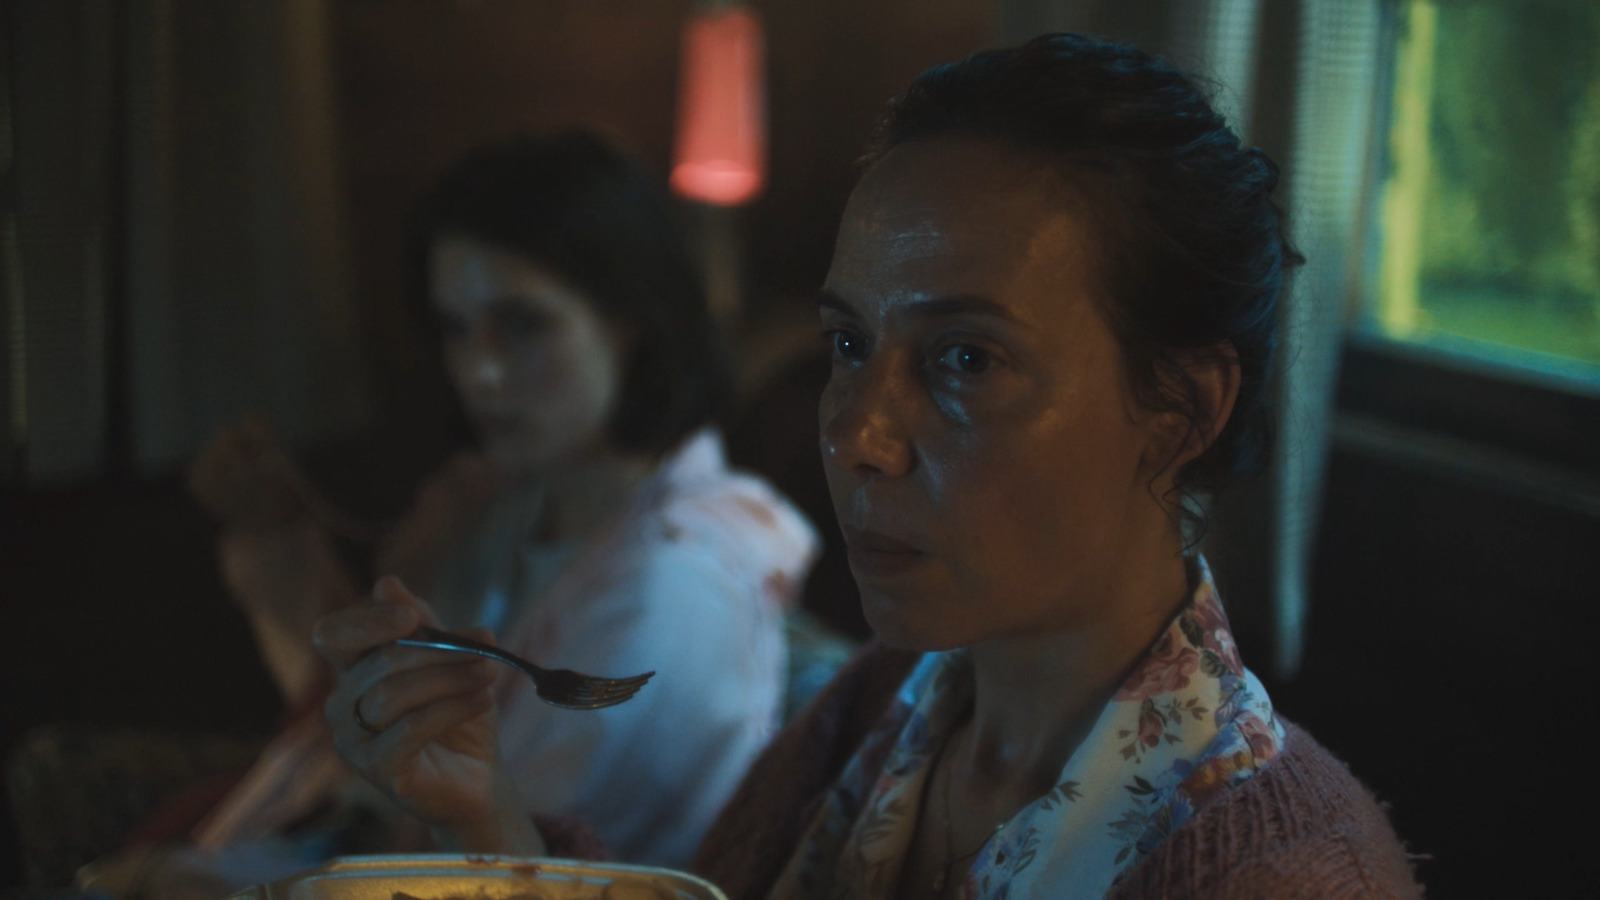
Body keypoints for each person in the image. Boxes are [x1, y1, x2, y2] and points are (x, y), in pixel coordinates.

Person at [313, 35, 1422, 899]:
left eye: (965, 359)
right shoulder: (877, 710)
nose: (855, 436)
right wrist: (483, 818)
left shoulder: (1276, 873)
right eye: (850, 344)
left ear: (1180, 408)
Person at [79, 132, 818, 899]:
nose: (481, 371)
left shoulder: (673, 584)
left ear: (629, 319)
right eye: (457, 329)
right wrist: (289, 543)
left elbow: (513, 864)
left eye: (523, 324)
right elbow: (368, 736)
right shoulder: (507, 511)